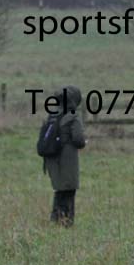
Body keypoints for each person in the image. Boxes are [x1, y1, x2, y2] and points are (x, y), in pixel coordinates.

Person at [45, 85, 86, 226]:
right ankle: (67, 221)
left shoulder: (52, 115)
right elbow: (79, 139)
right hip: (68, 159)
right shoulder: (72, 117)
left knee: (59, 190)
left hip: (52, 159)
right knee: (69, 191)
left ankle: (55, 218)